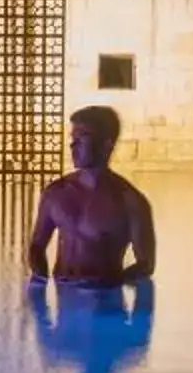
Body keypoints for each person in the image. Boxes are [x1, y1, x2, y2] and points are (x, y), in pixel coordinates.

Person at [26, 105, 156, 284]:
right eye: (73, 138)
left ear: (106, 144)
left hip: (104, 305)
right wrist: (40, 286)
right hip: (64, 300)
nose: (73, 145)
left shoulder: (130, 202)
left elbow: (146, 264)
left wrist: (110, 284)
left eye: (83, 137)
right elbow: (37, 247)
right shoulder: (55, 194)